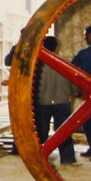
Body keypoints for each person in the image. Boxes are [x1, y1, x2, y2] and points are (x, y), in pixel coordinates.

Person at [34, 36, 76, 164]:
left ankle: (38, 159)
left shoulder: (37, 66)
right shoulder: (65, 63)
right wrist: (73, 93)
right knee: (64, 132)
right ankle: (67, 158)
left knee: (40, 132)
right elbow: (74, 84)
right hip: (62, 101)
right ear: (57, 47)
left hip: (43, 102)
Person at [72, 25, 91, 162]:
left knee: (90, 123)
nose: (84, 38)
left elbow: (72, 67)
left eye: (85, 35)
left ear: (90, 36)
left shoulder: (84, 53)